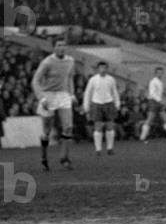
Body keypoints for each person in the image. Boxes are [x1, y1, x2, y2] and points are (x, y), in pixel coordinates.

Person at [31, 37, 76, 171]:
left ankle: (64, 158)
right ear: (54, 48)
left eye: (64, 45)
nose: (61, 47)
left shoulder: (70, 61)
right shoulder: (47, 62)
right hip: (48, 95)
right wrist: (41, 98)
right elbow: (35, 81)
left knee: (68, 127)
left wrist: (71, 94)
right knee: (47, 131)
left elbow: (70, 78)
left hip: (63, 94)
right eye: (59, 45)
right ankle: (44, 158)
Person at [84, 61, 121, 155]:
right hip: (97, 103)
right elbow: (88, 93)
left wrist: (117, 103)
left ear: (107, 69)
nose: (103, 70)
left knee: (110, 126)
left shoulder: (111, 79)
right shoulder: (93, 80)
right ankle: (98, 149)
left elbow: (115, 92)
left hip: (109, 103)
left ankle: (110, 148)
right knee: (98, 126)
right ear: (97, 69)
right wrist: (86, 106)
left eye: (104, 68)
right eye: (101, 68)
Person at [139, 67, 166, 142]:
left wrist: (160, 99)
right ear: (155, 73)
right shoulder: (153, 81)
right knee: (150, 119)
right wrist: (160, 101)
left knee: (165, 118)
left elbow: (158, 93)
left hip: (158, 102)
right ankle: (142, 137)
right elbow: (152, 93)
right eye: (158, 72)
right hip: (153, 102)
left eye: (161, 72)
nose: (160, 74)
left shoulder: (160, 82)